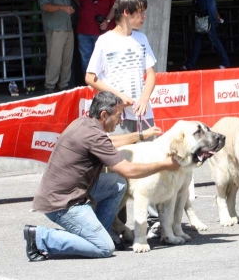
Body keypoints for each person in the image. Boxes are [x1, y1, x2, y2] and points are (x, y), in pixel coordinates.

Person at [23, 91, 177, 261]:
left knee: (117, 184)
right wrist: (165, 164)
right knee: (104, 247)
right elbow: (128, 170)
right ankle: (40, 236)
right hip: (63, 204)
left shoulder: (85, 124)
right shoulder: (93, 136)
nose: (121, 120)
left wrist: (141, 135)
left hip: (67, 193)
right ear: (104, 115)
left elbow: (109, 142)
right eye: (119, 115)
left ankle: (101, 231)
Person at [85, 0, 159, 229]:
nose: (144, 17)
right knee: (119, 168)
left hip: (141, 115)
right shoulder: (104, 41)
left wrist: (144, 98)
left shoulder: (142, 39)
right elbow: (90, 77)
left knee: (148, 164)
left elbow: (151, 74)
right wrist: (118, 98)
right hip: (115, 119)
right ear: (126, 12)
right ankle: (118, 224)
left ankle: (151, 220)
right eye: (140, 13)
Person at [71, 0, 120, 79]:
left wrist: (107, 20)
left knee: (104, 59)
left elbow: (116, 4)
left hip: (103, 31)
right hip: (83, 30)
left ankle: (104, 85)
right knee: (85, 59)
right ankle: (89, 86)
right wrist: (81, 6)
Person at [182, 0, 230, 70]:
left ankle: (225, 61)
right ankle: (190, 64)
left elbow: (205, 0)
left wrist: (204, 12)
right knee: (203, 39)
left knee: (211, 39)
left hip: (205, 16)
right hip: (207, 14)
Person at [38, 0, 75, 94]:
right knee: (54, 59)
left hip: (68, 30)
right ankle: (50, 86)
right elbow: (45, 6)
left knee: (67, 59)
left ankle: (64, 84)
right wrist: (62, 7)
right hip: (55, 31)